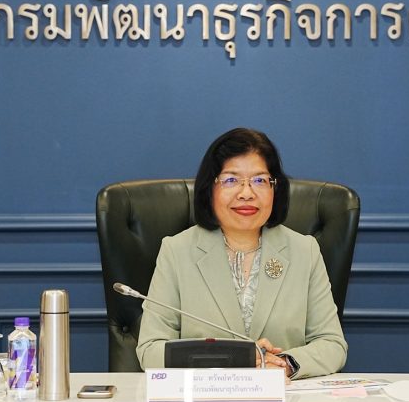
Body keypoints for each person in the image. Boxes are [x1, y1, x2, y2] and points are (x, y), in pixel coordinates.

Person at [136, 127, 348, 379]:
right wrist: (233, 360)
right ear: (209, 188)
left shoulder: (304, 251)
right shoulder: (177, 251)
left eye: (260, 181)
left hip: (285, 398)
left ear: (275, 189)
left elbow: (332, 344)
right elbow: (150, 351)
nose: (246, 193)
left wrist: (284, 364)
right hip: (205, 400)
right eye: (231, 180)